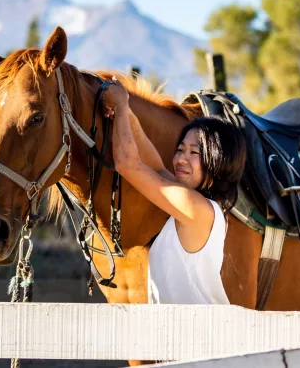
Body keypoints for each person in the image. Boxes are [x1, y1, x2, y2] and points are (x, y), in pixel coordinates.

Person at [102, 82, 246, 305]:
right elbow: (157, 167)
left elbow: (127, 165)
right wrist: (128, 115)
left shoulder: (193, 206)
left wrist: (120, 104)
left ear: (217, 160)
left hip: (194, 334)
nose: (180, 159)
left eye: (193, 152)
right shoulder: (197, 202)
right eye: (180, 150)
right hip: (185, 331)